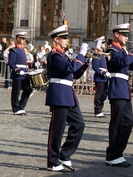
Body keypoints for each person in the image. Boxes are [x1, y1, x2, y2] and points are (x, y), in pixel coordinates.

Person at [46, 24, 89, 172]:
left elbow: (74, 74)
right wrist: (81, 56)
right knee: (57, 129)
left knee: (79, 124)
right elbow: (69, 69)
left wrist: (85, 63)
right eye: (64, 38)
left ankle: (65, 154)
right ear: (57, 40)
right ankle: (52, 161)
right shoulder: (55, 55)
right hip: (58, 93)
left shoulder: (63, 55)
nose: (67, 40)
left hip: (68, 94)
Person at [105, 23, 133, 167]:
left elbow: (132, 66)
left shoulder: (122, 50)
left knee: (128, 122)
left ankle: (118, 152)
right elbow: (123, 62)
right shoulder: (112, 49)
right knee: (117, 124)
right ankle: (112, 155)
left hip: (124, 89)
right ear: (116, 34)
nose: (127, 37)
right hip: (117, 89)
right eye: (124, 34)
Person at [8, 32, 33, 115]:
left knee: (28, 90)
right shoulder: (14, 50)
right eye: (22, 38)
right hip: (18, 74)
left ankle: (21, 106)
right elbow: (11, 62)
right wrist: (17, 70)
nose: (24, 40)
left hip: (25, 73)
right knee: (16, 92)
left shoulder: (22, 50)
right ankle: (16, 108)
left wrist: (31, 64)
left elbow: (24, 62)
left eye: (24, 39)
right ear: (18, 39)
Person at [92, 36, 109, 117]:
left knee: (104, 94)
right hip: (99, 77)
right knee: (99, 94)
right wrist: (103, 72)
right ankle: (97, 110)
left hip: (105, 77)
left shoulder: (104, 53)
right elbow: (95, 67)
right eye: (102, 42)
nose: (104, 44)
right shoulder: (97, 54)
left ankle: (100, 108)